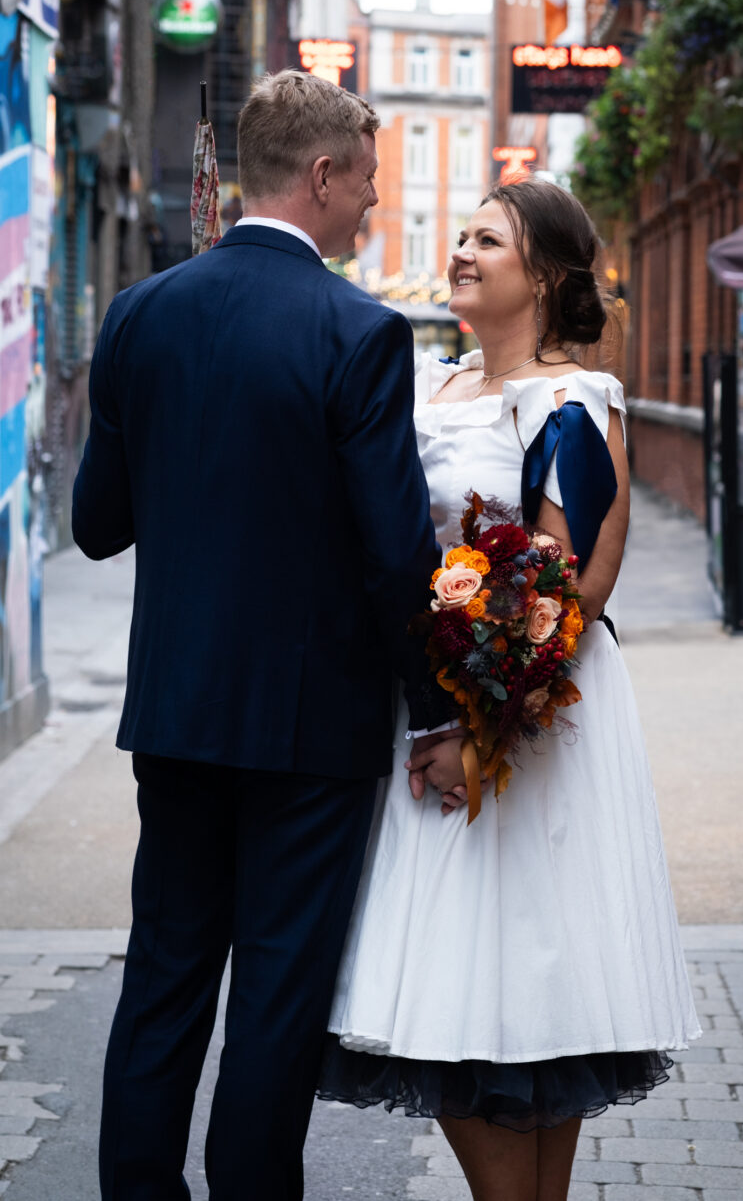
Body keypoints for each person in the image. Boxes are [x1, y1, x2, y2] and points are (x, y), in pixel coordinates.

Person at [72, 70, 457, 1201]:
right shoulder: (360, 332)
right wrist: (438, 705)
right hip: (310, 729)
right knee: (277, 995)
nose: (375, 209)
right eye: (371, 185)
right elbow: (395, 555)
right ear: (324, 175)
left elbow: (97, 527)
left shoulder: (140, 312)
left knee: (166, 976)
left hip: (178, 712)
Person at [318, 178, 702, 1201]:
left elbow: (569, 587)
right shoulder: (427, 385)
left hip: (521, 731)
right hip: (436, 705)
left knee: (528, 985)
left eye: (488, 240)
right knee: (456, 990)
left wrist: (482, 733)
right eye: (462, 236)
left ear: (546, 275)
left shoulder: (573, 402)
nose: (461, 252)